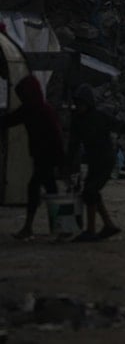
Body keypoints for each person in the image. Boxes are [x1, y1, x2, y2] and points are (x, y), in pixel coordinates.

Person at [67, 84, 125, 242]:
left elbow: (120, 126)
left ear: (88, 103)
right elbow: (73, 145)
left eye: (81, 104)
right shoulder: (77, 121)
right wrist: (69, 164)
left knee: (90, 192)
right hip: (94, 160)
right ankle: (108, 225)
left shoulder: (98, 117)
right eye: (77, 104)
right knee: (92, 192)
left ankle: (91, 230)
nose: (78, 107)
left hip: (104, 159)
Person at [0, 75, 65, 240]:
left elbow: (56, 137)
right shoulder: (37, 109)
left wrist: (61, 161)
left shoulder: (38, 111)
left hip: (46, 156)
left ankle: (34, 227)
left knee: (35, 188)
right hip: (43, 156)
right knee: (49, 189)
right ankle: (60, 228)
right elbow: (9, 120)